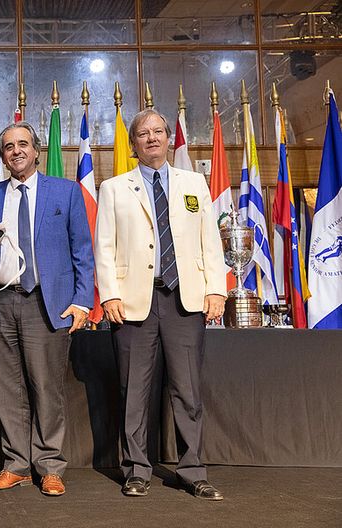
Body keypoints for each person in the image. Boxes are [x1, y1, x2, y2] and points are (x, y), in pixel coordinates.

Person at [94, 108, 226, 500]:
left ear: (169, 138)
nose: (151, 138)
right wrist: (110, 294)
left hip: (185, 301)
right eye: (143, 133)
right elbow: (104, 246)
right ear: (134, 144)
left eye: (158, 132)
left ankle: (192, 470)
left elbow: (210, 241)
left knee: (188, 391)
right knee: (134, 390)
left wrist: (216, 289)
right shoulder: (114, 188)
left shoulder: (194, 183)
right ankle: (137, 469)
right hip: (134, 300)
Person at [0, 122, 94, 496]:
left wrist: (82, 301)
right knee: (6, 390)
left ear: (37, 150)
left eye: (23, 144)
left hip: (48, 304)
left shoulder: (66, 191)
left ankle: (49, 466)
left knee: (47, 389)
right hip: (0, 300)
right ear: (3, 156)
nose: (16, 151)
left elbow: (82, 251)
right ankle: (15, 465)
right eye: (9, 146)